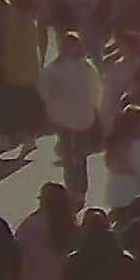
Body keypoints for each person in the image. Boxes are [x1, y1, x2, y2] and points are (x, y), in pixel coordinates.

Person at [42, 35, 107, 203]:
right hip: (63, 118)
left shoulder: (87, 67)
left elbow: (96, 89)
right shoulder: (55, 68)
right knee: (67, 154)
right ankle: (71, 187)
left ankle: (80, 189)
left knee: (79, 156)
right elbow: (45, 86)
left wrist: (95, 109)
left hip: (82, 118)